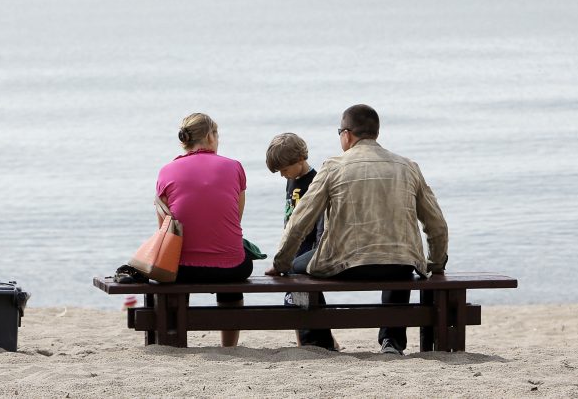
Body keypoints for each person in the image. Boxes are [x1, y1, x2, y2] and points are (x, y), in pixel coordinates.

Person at [266, 104, 449, 356]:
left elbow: (300, 220)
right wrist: (436, 264)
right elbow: (436, 224)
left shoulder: (333, 166)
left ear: (347, 134)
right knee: (397, 255)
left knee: (298, 266)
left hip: (343, 265)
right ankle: (392, 342)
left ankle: (315, 338)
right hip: (400, 266)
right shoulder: (408, 167)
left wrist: (282, 262)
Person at [156, 112, 252, 347]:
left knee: (177, 260)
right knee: (236, 253)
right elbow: (236, 219)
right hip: (231, 269)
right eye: (217, 134)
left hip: (182, 269)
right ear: (210, 136)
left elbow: (165, 231)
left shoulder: (166, 171)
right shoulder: (234, 167)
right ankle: (229, 346)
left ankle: (175, 342)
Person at [265, 132, 336, 351]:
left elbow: (319, 222)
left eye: (284, 170)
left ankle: (318, 342)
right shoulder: (292, 179)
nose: (282, 175)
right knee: (294, 301)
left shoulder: (315, 181)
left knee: (309, 300)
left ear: (300, 160)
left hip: (309, 249)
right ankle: (304, 343)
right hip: (293, 249)